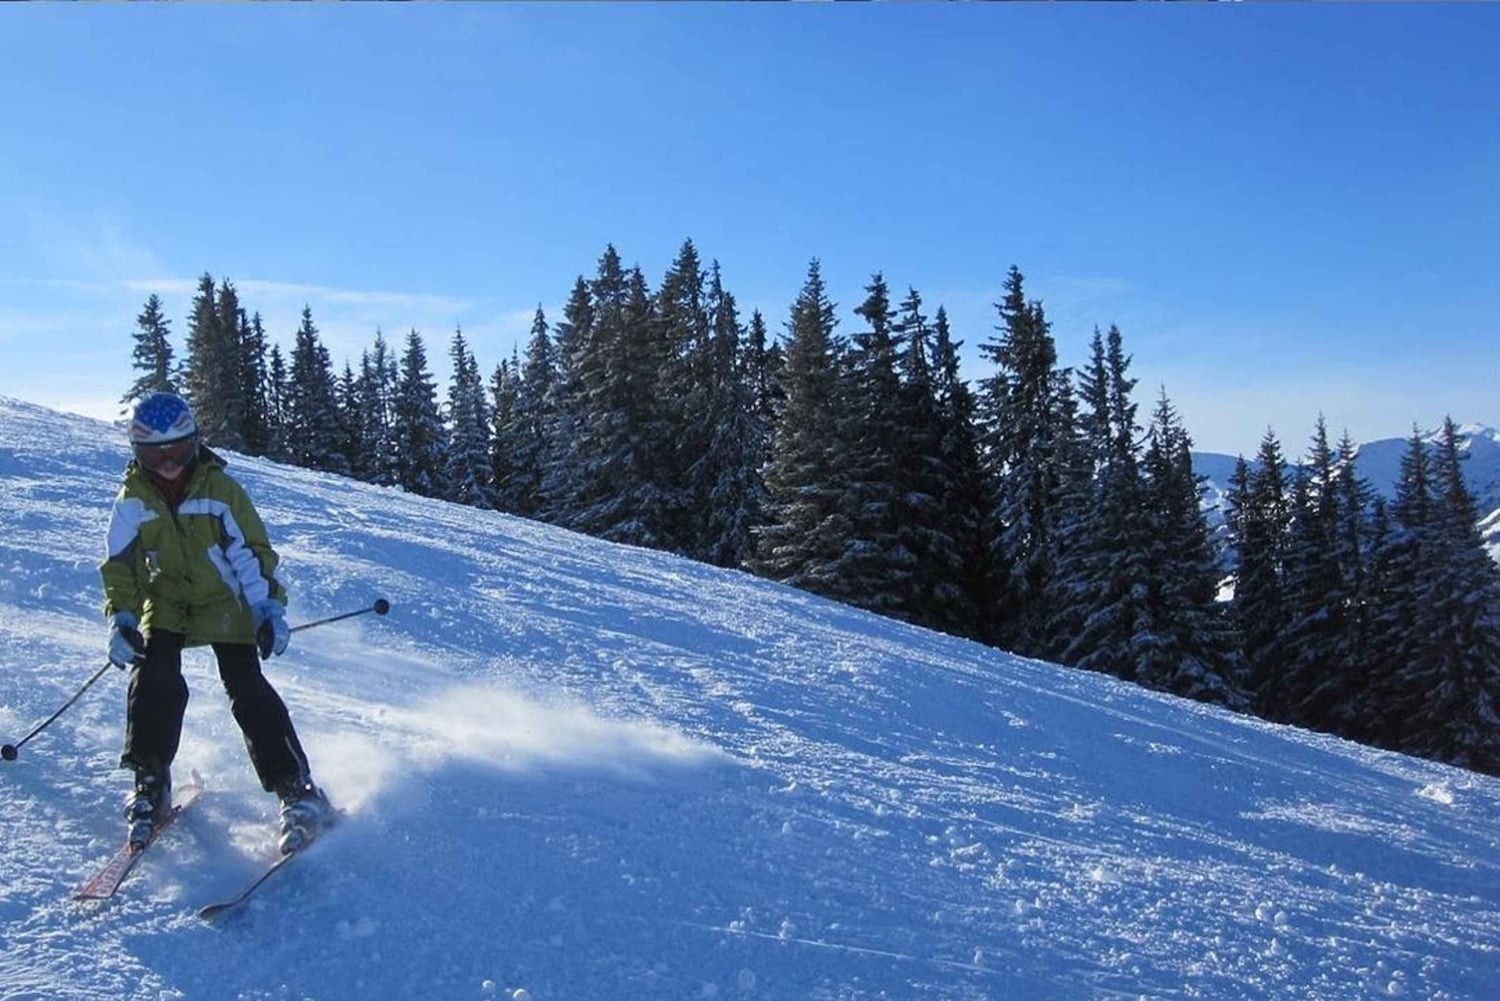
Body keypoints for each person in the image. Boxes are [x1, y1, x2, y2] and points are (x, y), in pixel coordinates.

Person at [101, 391, 330, 853]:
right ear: (137, 454)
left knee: (246, 685)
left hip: (224, 601)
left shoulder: (220, 490)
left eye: (178, 451)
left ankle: (297, 788)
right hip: (167, 603)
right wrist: (123, 618)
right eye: (154, 454)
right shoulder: (132, 499)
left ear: (195, 444)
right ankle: (151, 782)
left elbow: (252, 554)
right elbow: (121, 566)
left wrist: (265, 609)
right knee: (153, 678)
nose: (167, 464)